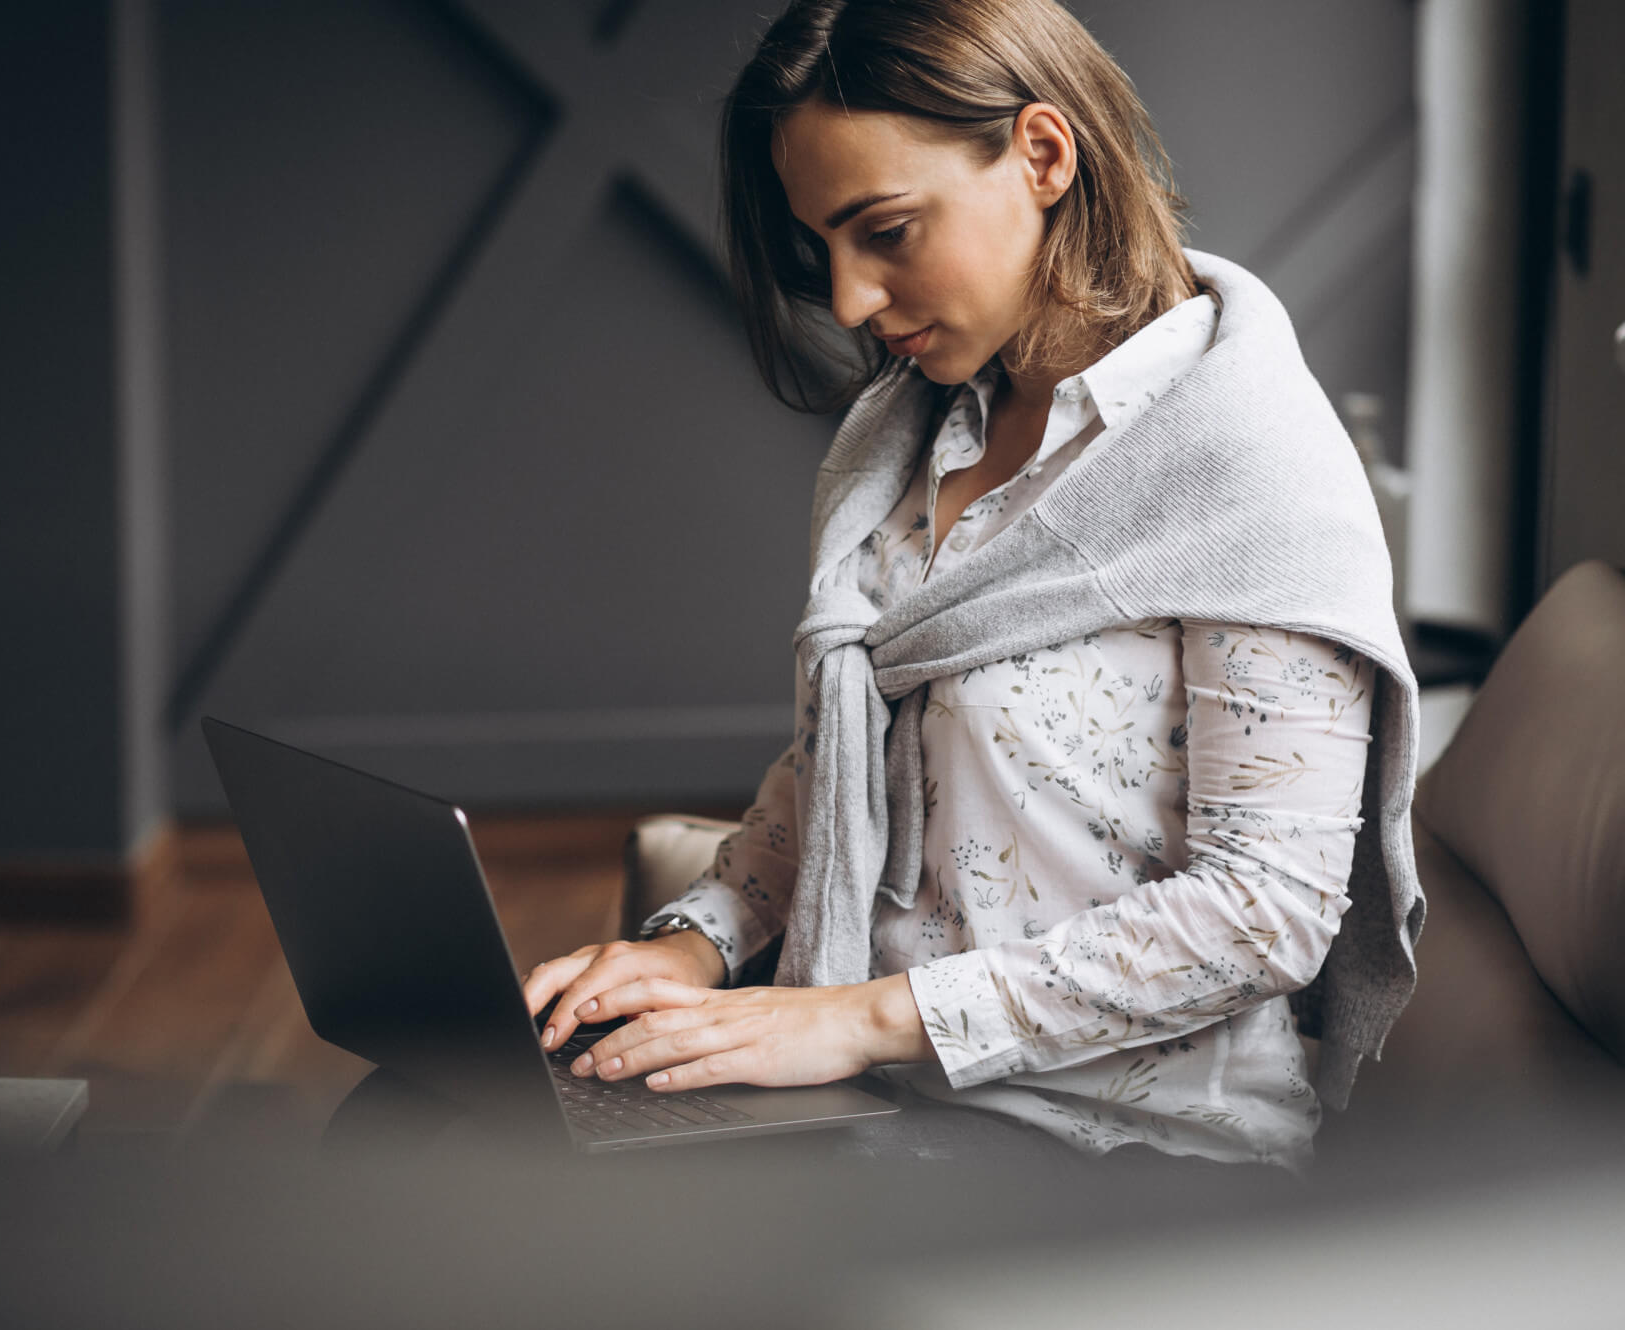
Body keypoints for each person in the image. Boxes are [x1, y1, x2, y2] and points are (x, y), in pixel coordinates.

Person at [521, 0, 1423, 1171]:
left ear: (1042, 155)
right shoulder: (910, 441)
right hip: (875, 1106)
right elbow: (847, 761)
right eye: (822, 249)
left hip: (1119, 1153)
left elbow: (1266, 908)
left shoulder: (1244, 461)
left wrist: (850, 1020)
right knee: (434, 1132)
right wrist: (698, 939)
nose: (846, 300)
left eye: (884, 230)